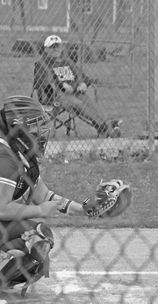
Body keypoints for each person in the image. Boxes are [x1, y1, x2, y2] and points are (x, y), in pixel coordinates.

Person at [0, 96, 95, 295]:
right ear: (18, 127)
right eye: (33, 125)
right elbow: (2, 208)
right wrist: (39, 210)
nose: (39, 131)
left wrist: (86, 209)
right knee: (33, 238)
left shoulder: (19, 152)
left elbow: (44, 195)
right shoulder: (5, 157)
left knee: (38, 238)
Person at [33, 35, 121, 138]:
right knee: (78, 103)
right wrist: (61, 85)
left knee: (88, 101)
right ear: (46, 49)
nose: (55, 49)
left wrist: (84, 83)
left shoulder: (66, 62)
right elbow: (44, 83)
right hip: (54, 97)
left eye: (58, 46)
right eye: (52, 47)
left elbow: (82, 76)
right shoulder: (41, 63)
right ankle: (105, 127)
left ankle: (106, 125)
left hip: (74, 93)